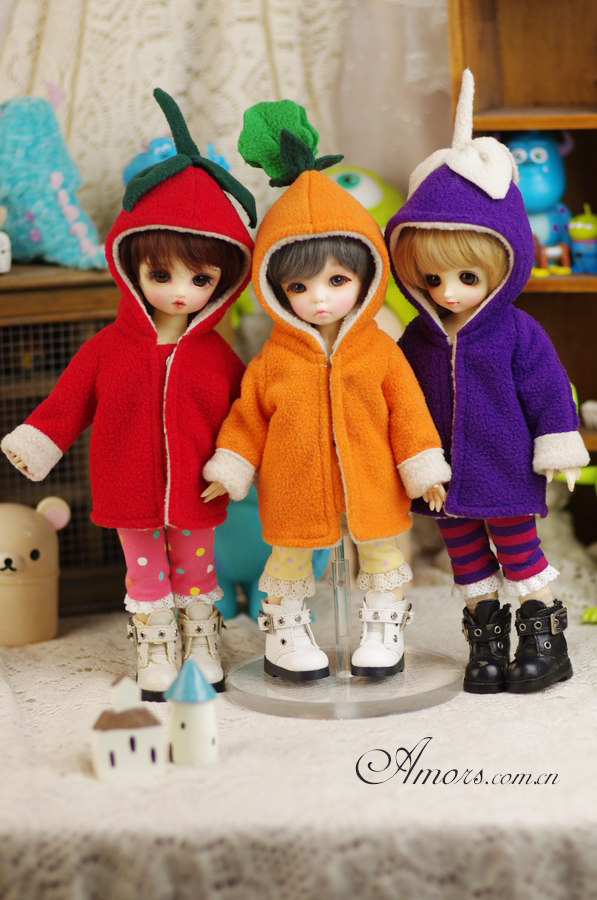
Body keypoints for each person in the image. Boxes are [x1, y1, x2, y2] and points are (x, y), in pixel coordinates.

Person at [1, 90, 255, 699]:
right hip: (125, 482)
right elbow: (69, 400)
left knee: (196, 566)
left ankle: (200, 637)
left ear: (222, 280)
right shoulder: (108, 347)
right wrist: (38, 441)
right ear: (131, 266)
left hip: (197, 483)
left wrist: (235, 460)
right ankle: (155, 641)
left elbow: (247, 412)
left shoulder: (217, 354)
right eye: (161, 274)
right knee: (144, 572)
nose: (180, 292)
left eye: (200, 279)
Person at [202, 100, 451, 683]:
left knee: (382, 555)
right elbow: (247, 418)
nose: (320, 299)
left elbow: (408, 412)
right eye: (299, 286)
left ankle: (384, 626)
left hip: (372, 482)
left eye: (337, 280)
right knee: (289, 560)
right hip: (295, 486)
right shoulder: (273, 360)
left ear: (367, 276)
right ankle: (285, 630)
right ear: (274, 287)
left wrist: (423, 469)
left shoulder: (381, 351)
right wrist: (231, 467)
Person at [385, 70, 590, 695]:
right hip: (443, 479)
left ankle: (544, 639)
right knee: (467, 559)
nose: (448, 293)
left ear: (506, 263)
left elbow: (549, 390)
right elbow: (398, 400)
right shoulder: (416, 337)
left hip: (505, 470)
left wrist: (558, 447)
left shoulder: (518, 332)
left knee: (520, 554)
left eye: (466, 278)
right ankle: (486, 641)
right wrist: (411, 460)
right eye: (432, 279)